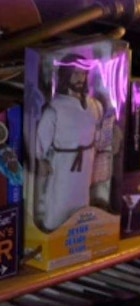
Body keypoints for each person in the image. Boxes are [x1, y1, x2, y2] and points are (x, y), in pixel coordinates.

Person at [34, 53, 105, 232]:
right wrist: (40, 159)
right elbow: (41, 141)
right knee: (59, 201)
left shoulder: (95, 106)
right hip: (63, 165)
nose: (80, 78)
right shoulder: (55, 109)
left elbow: (100, 134)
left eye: (83, 74)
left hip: (86, 166)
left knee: (82, 204)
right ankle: (54, 231)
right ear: (66, 75)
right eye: (75, 73)